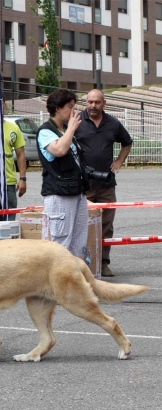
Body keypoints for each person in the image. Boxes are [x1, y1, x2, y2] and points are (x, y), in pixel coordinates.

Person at [75, 89, 132, 277]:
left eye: (97, 102)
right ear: (86, 103)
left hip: (107, 185)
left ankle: (103, 263)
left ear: (104, 103)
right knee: (82, 225)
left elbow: (127, 142)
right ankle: (82, 264)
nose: (93, 105)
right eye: (90, 102)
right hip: (84, 185)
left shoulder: (113, 124)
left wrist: (119, 161)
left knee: (106, 226)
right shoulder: (76, 121)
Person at [36, 88, 88, 259]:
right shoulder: (45, 131)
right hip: (59, 194)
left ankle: (74, 281)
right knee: (61, 241)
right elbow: (59, 150)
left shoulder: (65, 130)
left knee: (78, 241)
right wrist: (71, 129)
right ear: (57, 108)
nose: (74, 112)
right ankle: (59, 283)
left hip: (76, 191)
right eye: (70, 107)